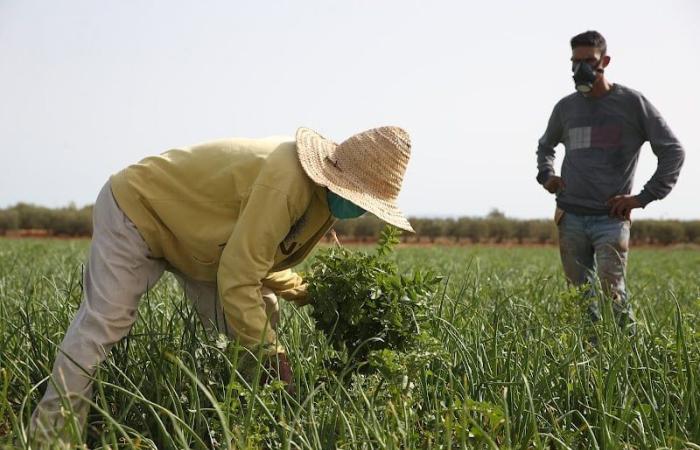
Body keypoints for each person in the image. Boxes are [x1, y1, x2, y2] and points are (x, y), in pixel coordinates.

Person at [30, 126, 414, 442]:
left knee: (259, 317)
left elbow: (258, 257)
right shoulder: (287, 184)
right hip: (138, 210)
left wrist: (307, 291)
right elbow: (240, 273)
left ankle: (248, 428)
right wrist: (272, 354)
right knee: (105, 322)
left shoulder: (323, 200)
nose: (359, 209)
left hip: (198, 242)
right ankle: (50, 436)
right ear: (339, 178)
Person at [537, 30, 685, 328]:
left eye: (589, 61)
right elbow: (545, 146)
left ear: (604, 60)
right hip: (570, 216)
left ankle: (628, 358)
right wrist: (547, 175)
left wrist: (642, 198)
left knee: (612, 294)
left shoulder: (631, 103)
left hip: (610, 219)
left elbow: (673, 151)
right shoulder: (565, 108)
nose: (581, 69)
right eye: (575, 61)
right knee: (578, 300)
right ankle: (588, 361)